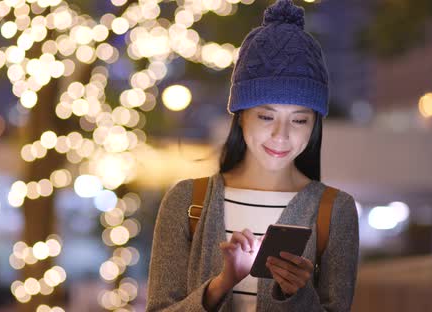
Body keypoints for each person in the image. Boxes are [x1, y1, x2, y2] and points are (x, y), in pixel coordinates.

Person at [146, 0, 359, 311]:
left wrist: (297, 295)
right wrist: (221, 284)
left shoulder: (335, 211)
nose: (281, 135)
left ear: (315, 125)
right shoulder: (187, 201)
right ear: (240, 115)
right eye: (266, 116)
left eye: (300, 120)